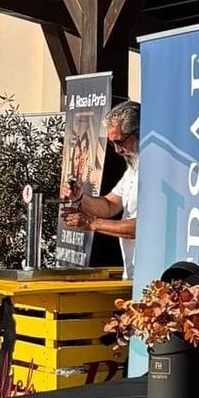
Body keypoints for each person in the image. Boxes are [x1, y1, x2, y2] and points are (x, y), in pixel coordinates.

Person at [60, 100, 141, 276]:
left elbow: (142, 227)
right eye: (112, 144)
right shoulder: (133, 168)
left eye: (120, 142)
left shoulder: (156, 169)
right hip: (132, 270)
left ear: (138, 133)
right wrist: (80, 197)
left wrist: (91, 223)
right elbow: (110, 205)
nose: (117, 150)